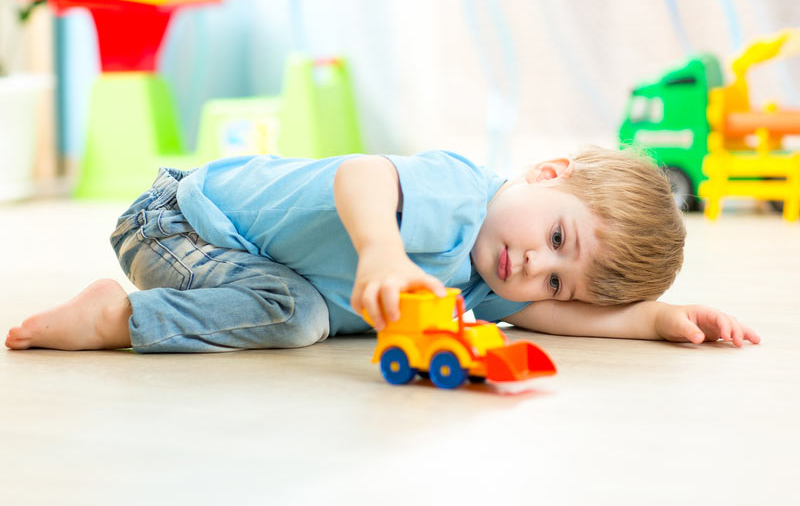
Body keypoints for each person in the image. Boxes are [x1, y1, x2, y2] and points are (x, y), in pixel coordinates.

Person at [5, 146, 760, 352]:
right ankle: (114, 319)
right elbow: (364, 173)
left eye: (559, 280)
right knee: (299, 315)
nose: (536, 267)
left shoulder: (496, 281)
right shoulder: (464, 194)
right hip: (179, 223)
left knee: (297, 310)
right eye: (559, 238)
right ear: (547, 173)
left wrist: (661, 319)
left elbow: (556, 320)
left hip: (232, 259)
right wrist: (381, 252)